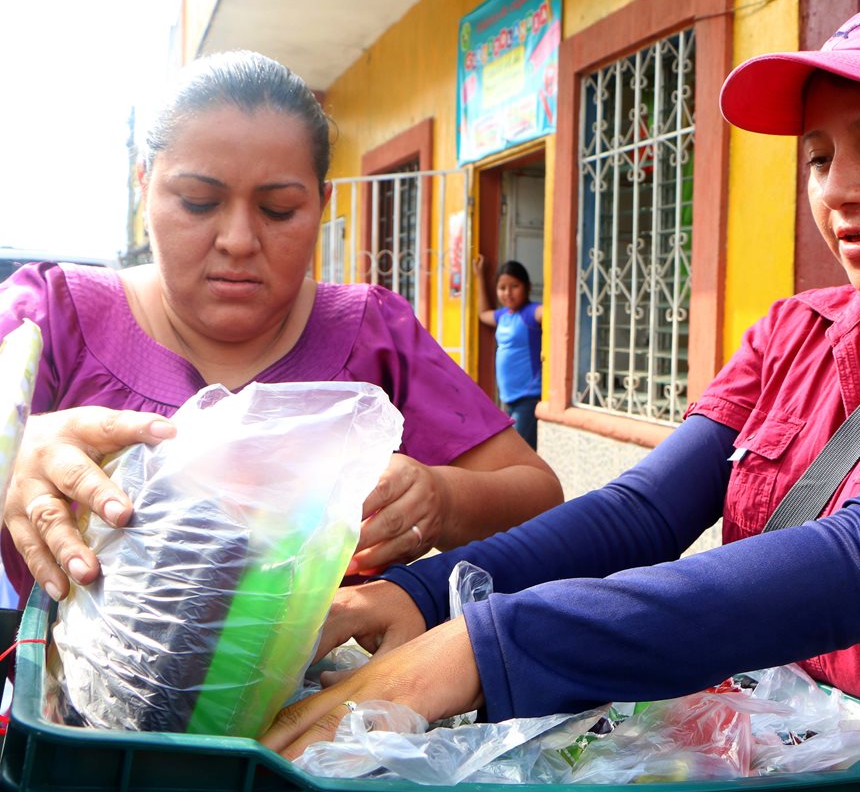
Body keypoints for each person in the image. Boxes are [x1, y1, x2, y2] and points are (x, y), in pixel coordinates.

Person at [263, 0, 860, 790]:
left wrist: (489, 647)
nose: (840, 189)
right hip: (785, 765)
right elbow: (639, 513)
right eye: (818, 157)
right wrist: (420, 599)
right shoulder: (796, 333)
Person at [0, 50, 563, 607]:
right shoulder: (49, 319)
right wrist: (17, 453)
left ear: (321, 204)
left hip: (338, 698)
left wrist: (441, 497)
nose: (239, 240)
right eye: (199, 202)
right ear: (145, 186)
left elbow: (539, 497)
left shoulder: (373, 335)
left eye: (278, 210)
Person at [473, 255, 543, 449]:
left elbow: (548, 312)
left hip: (528, 398)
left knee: (516, 452)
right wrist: (480, 276)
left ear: (527, 287)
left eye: (514, 286)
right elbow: (482, 314)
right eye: (502, 288)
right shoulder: (503, 316)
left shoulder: (530, 313)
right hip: (508, 399)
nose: (508, 293)